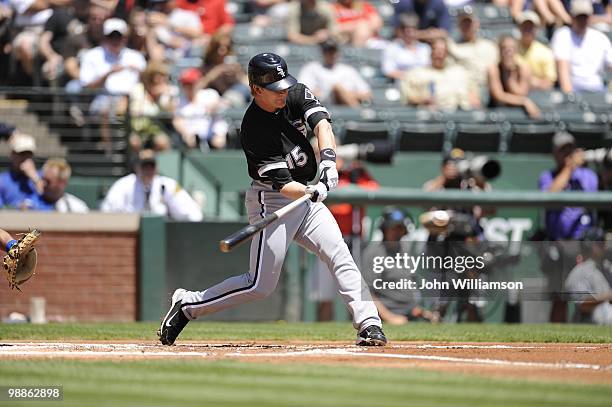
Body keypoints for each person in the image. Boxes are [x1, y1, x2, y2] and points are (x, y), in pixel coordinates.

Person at [158, 53, 386, 347]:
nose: (282, 92)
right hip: (273, 200)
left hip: (306, 197)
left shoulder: (294, 93)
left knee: (338, 253)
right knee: (259, 286)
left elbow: (322, 125)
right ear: (255, 89)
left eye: (283, 85)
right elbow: (284, 185)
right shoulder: (253, 129)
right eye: (274, 88)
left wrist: (329, 161)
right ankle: (189, 305)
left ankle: (369, 323)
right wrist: (309, 191)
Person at [538, 131, 598, 322]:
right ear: (554, 153)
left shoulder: (588, 176)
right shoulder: (548, 176)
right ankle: (556, 345)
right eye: (562, 150)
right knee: (559, 297)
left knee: (585, 294)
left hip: (583, 243)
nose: (567, 154)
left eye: (570, 150)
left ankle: (581, 340)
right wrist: (568, 169)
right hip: (559, 243)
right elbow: (550, 197)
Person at [363, 207, 440, 325]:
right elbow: (367, 293)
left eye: (401, 228)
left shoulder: (404, 249)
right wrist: (389, 317)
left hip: (411, 313)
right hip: (388, 315)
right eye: (393, 228)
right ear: (384, 230)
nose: (397, 232)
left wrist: (419, 311)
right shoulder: (374, 252)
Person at [101, 149, 203, 221]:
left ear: (157, 168)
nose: (148, 170)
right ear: (137, 167)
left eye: (152, 166)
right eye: (145, 166)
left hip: (162, 234)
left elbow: (192, 213)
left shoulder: (167, 185)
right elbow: (107, 210)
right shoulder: (124, 185)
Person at [551, 0, 612, 93]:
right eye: (579, 17)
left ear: (590, 17)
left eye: (585, 17)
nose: (582, 21)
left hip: (597, 90)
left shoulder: (600, 38)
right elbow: (563, 70)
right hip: (573, 90)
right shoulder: (563, 35)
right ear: (572, 17)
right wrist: (570, 96)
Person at [400, 38, 478, 111]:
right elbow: (407, 96)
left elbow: (473, 94)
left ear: (447, 53)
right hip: (432, 116)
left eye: (442, 50)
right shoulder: (417, 73)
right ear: (430, 52)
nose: (439, 54)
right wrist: (421, 100)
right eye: (435, 50)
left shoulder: (460, 72)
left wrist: (474, 101)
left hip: (461, 114)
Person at [297, 39, 371, 107]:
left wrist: (345, 94)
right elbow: (301, 92)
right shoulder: (312, 68)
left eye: (333, 51)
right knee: (337, 88)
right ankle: (358, 113)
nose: (331, 54)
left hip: (346, 106)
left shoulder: (348, 70)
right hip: (322, 107)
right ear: (323, 52)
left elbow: (367, 94)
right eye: (328, 51)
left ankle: (357, 113)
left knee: (338, 88)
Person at [173, 67, 229, 151]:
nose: (189, 87)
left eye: (191, 83)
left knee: (219, 141)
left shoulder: (209, 94)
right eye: (185, 84)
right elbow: (177, 120)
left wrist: (215, 107)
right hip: (191, 138)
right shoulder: (178, 101)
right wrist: (186, 133)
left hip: (211, 135)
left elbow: (223, 105)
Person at [487, 35, 542, 119]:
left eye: (512, 48)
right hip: (498, 113)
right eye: (504, 48)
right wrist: (524, 101)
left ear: (516, 50)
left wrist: (510, 80)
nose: (508, 51)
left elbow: (522, 93)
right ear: (499, 51)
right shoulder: (493, 70)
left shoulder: (524, 69)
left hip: (520, 113)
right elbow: (498, 96)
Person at [565, 227, 612, 325]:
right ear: (589, 244)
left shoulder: (607, 267)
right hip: (588, 320)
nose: (604, 245)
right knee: (605, 310)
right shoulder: (579, 272)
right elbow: (583, 305)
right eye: (600, 242)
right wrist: (608, 296)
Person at [447, 6, 498, 94]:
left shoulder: (490, 46)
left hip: (491, 90)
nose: (467, 26)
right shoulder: (453, 47)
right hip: (468, 91)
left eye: (469, 23)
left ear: (476, 24)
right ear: (459, 26)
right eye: (464, 23)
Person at [128, 61, 177, 152]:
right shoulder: (138, 90)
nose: (162, 79)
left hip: (155, 131)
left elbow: (171, 113)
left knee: (162, 141)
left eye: (164, 76)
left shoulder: (166, 93)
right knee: (134, 142)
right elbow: (134, 111)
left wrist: (166, 96)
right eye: (159, 75)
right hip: (137, 130)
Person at [381, 13, 431, 81]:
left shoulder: (425, 48)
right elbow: (388, 71)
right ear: (401, 31)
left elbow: (431, 69)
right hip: (401, 84)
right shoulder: (392, 48)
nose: (411, 34)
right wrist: (410, 77)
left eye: (414, 30)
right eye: (407, 31)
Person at [515, 10, 557, 90]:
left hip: (540, 95)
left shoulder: (545, 52)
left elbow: (549, 83)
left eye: (530, 27)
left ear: (536, 29)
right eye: (525, 26)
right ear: (519, 28)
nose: (527, 30)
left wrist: (530, 81)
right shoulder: (511, 50)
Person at [0, 132, 43, 209]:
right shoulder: (2, 180)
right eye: (22, 153)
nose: (25, 158)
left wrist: (35, 178)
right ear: (12, 154)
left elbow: (49, 202)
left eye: (29, 153)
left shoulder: (42, 177)